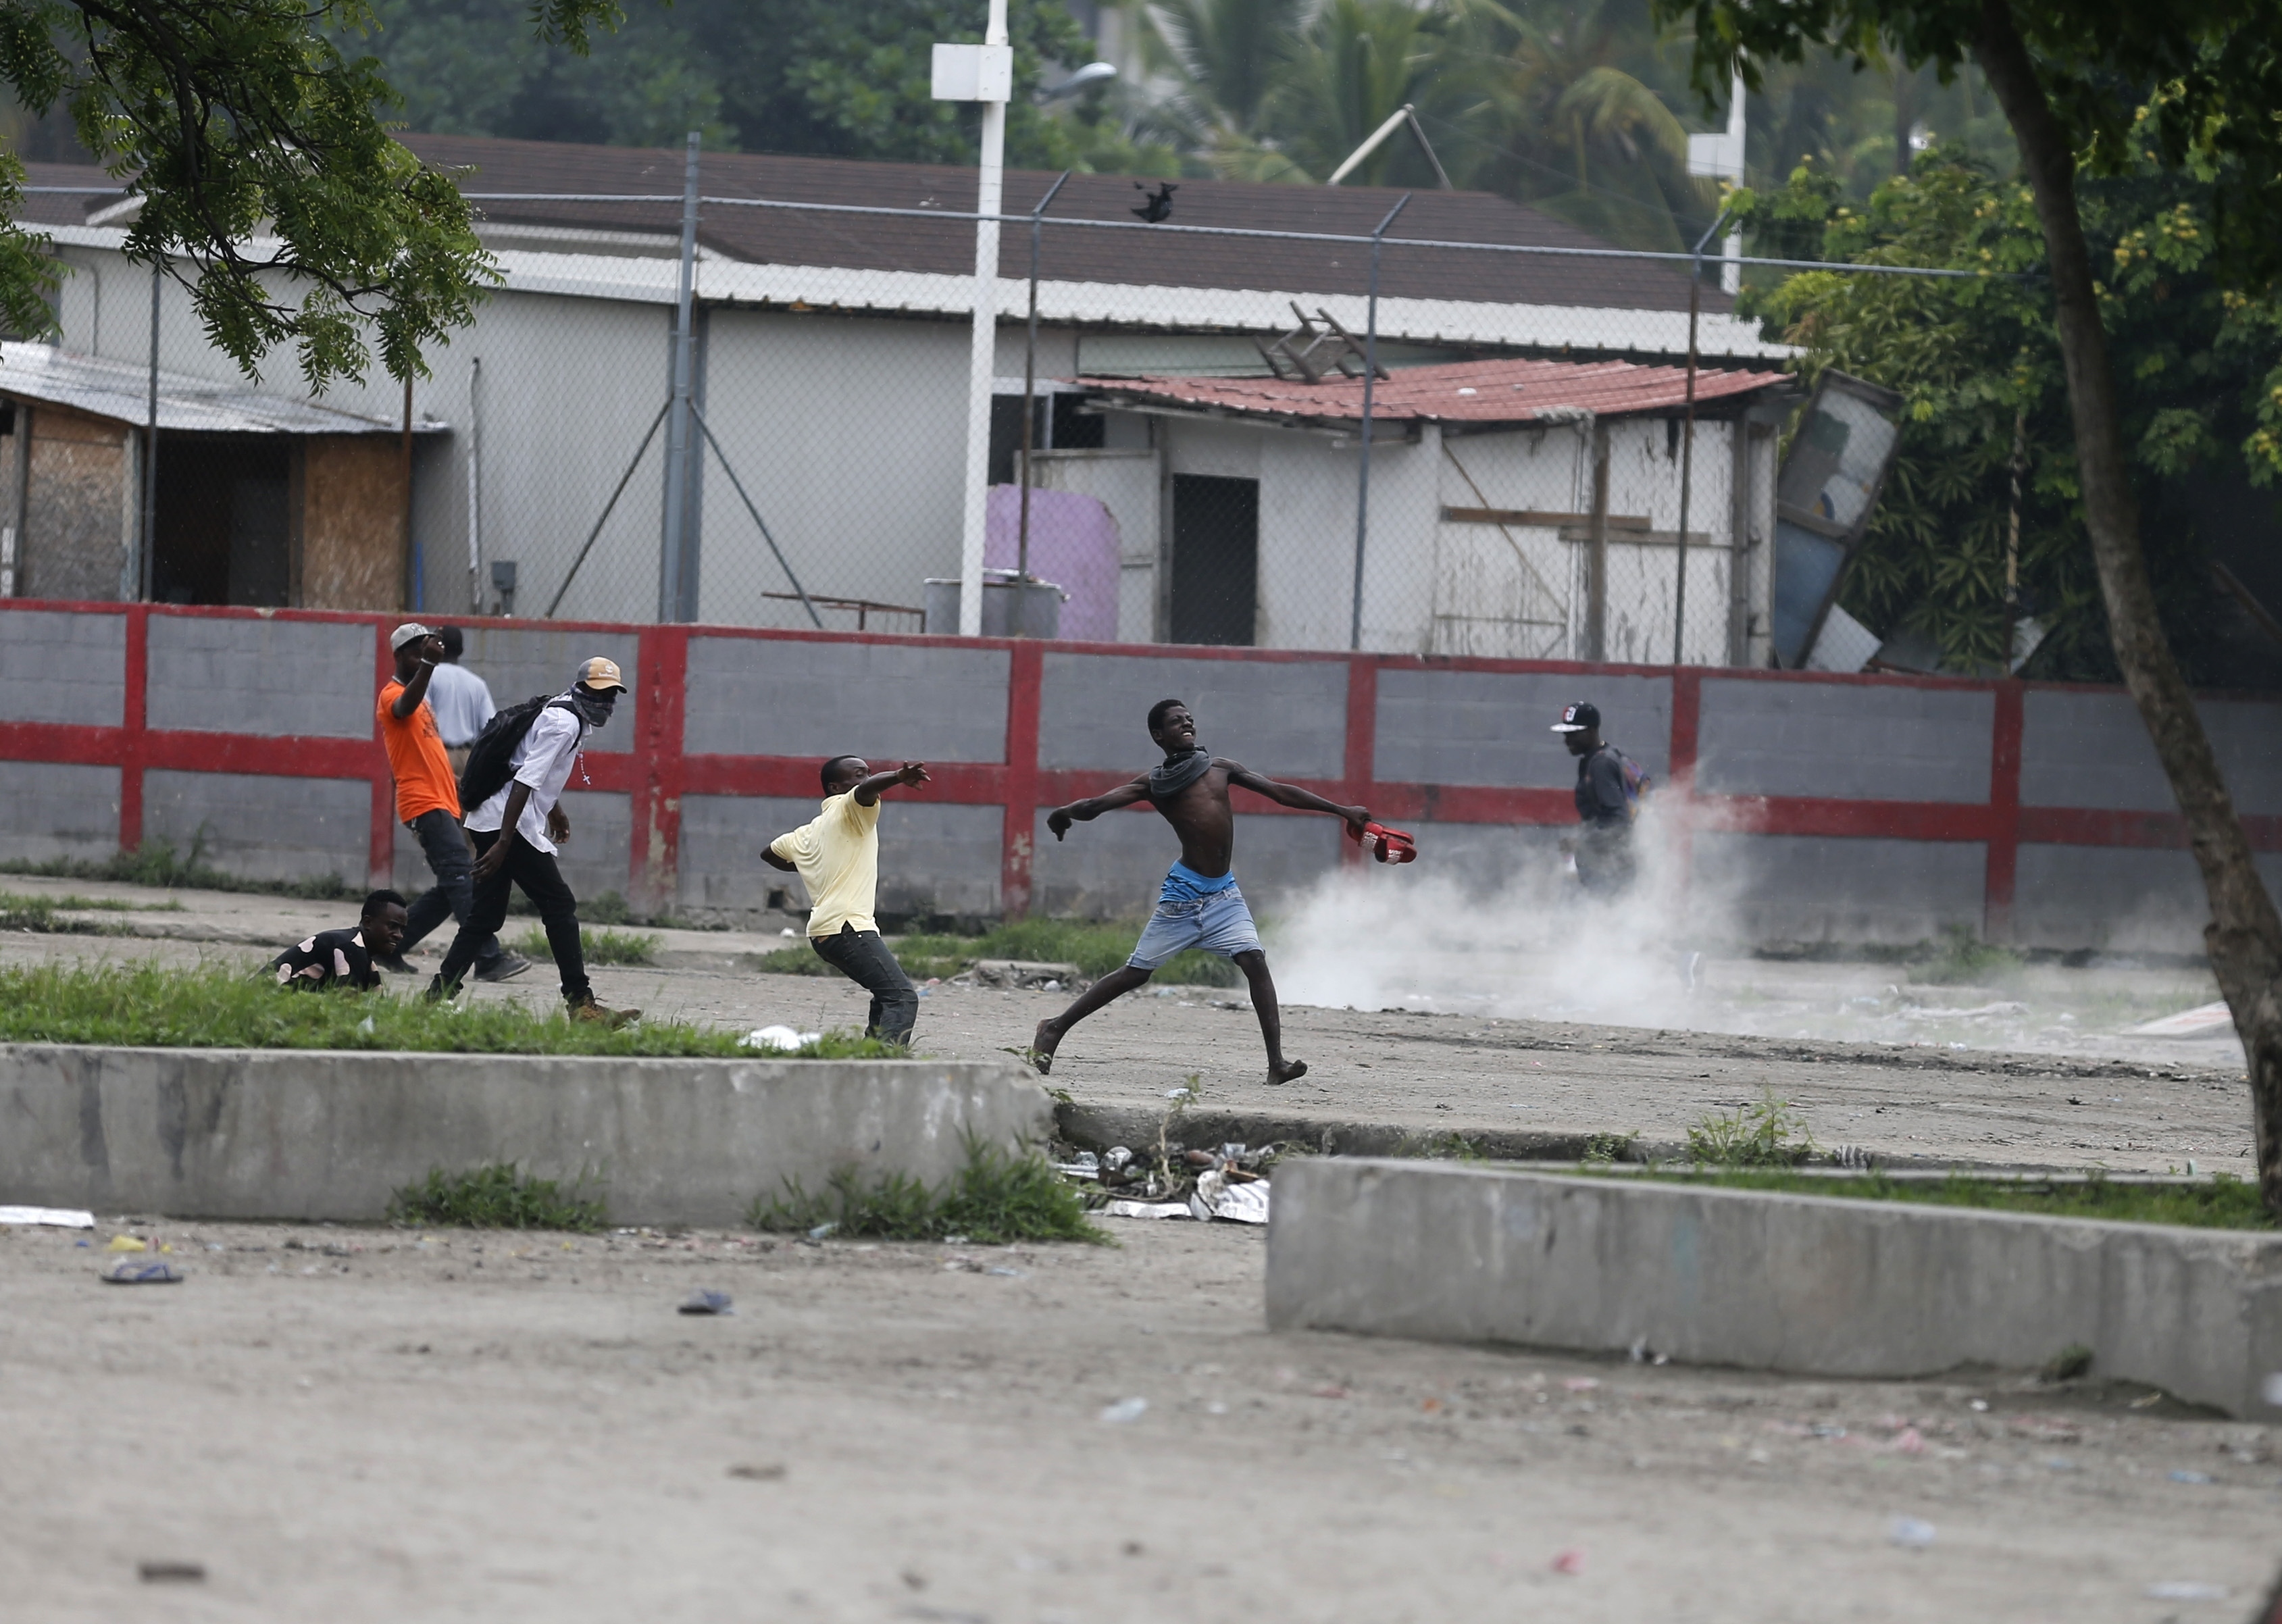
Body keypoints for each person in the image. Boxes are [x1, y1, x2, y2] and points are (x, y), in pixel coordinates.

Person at [1030, 699, 1369, 1085]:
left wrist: (1342, 810)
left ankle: (1277, 1064)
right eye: (1176, 722)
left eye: (1189, 719)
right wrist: (1064, 813)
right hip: (1183, 897)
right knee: (1135, 974)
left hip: (1224, 894)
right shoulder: (1154, 783)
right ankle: (1053, 1029)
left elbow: (1280, 792)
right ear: (1159, 735)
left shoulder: (1221, 768)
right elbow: (1096, 805)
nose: (1187, 723)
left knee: (1254, 960)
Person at [426, 657, 638, 1025]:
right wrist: (504, 843)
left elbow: (525, 764)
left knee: (485, 916)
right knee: (559, 905)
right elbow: (525, 780)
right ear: (581, 688)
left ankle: (435, 997)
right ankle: (581, 1004)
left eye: (612, 695)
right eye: (598, 692)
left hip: (494, 819)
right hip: (505, 824)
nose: (605, 703)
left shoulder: (563, 710)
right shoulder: (565, 722)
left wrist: (554, 810)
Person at [374, 621, 530, 982]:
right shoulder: (392, 694)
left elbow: (430, 752)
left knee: (451, 885)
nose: (421, 657)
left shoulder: (425, 700)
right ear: (399, 656)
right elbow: (403, 706)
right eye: (414, 652)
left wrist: (457, 783)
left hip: (442, 796)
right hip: (423, 803)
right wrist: (428, 665)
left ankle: (391, 948)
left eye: (425, 651)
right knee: (462, 876)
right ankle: (488, 957)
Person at [761, 755, 933, 1046]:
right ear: (835, 787)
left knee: (885, 995)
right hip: (848, 925)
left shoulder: (807, 832)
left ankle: (870, 1058)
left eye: (868, 772)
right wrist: (897, 777)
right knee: (902, 997)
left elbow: (769, 853)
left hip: (825, 932)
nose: (866, 779)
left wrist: (809, 865)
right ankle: (884, 1065)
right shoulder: (850, 808)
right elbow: (866, 791)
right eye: (858, 774)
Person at [1553, 700, 1638, 896]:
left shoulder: (1601, 764)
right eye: (1566, 734)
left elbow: (1619, 823)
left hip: (1610, 869)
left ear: (1591, 731)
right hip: (1606, 866)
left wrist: (1581, 843)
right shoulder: (1598, 758)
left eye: (1574, 734)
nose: (1567, 740)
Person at [266, 890, 407, 992]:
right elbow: (349, 1008)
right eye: (392, 926)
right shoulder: (350, 947)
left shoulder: (367, 964)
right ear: (368, 923)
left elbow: (377, 1011)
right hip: (266, 1000)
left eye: (402, 930)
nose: (399, 935)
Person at [423, 625, 496, 773]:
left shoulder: (427, 677)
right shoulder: (477, 683)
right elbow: (491, 727)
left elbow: (422, 719)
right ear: (461, 651)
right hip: (468, 758)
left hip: (438, 755)